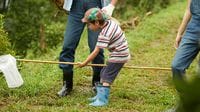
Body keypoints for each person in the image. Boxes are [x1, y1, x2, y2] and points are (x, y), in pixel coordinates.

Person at [57, 0, 118, 97]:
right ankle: (67, 84)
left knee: (96, 47)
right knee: (68, 46)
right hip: (76, 6)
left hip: (96, 5)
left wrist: (111, 5)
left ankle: (97, 82)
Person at [78, 8, 130, 106]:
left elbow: (96, 51)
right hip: (120, 52)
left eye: (89, 24)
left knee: (106, 77)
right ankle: (99, 96)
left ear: (97, 22)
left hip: (119, 55)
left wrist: (84, 63)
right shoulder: (110, 22)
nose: (88, 27)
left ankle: (102, 100)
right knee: (103, 73)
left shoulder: (104, 34)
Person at [168, 0, 200, 111]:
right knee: (176, 66)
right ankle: (185, 103)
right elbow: (188, 10)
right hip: (193, 31)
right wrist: (180, 33)